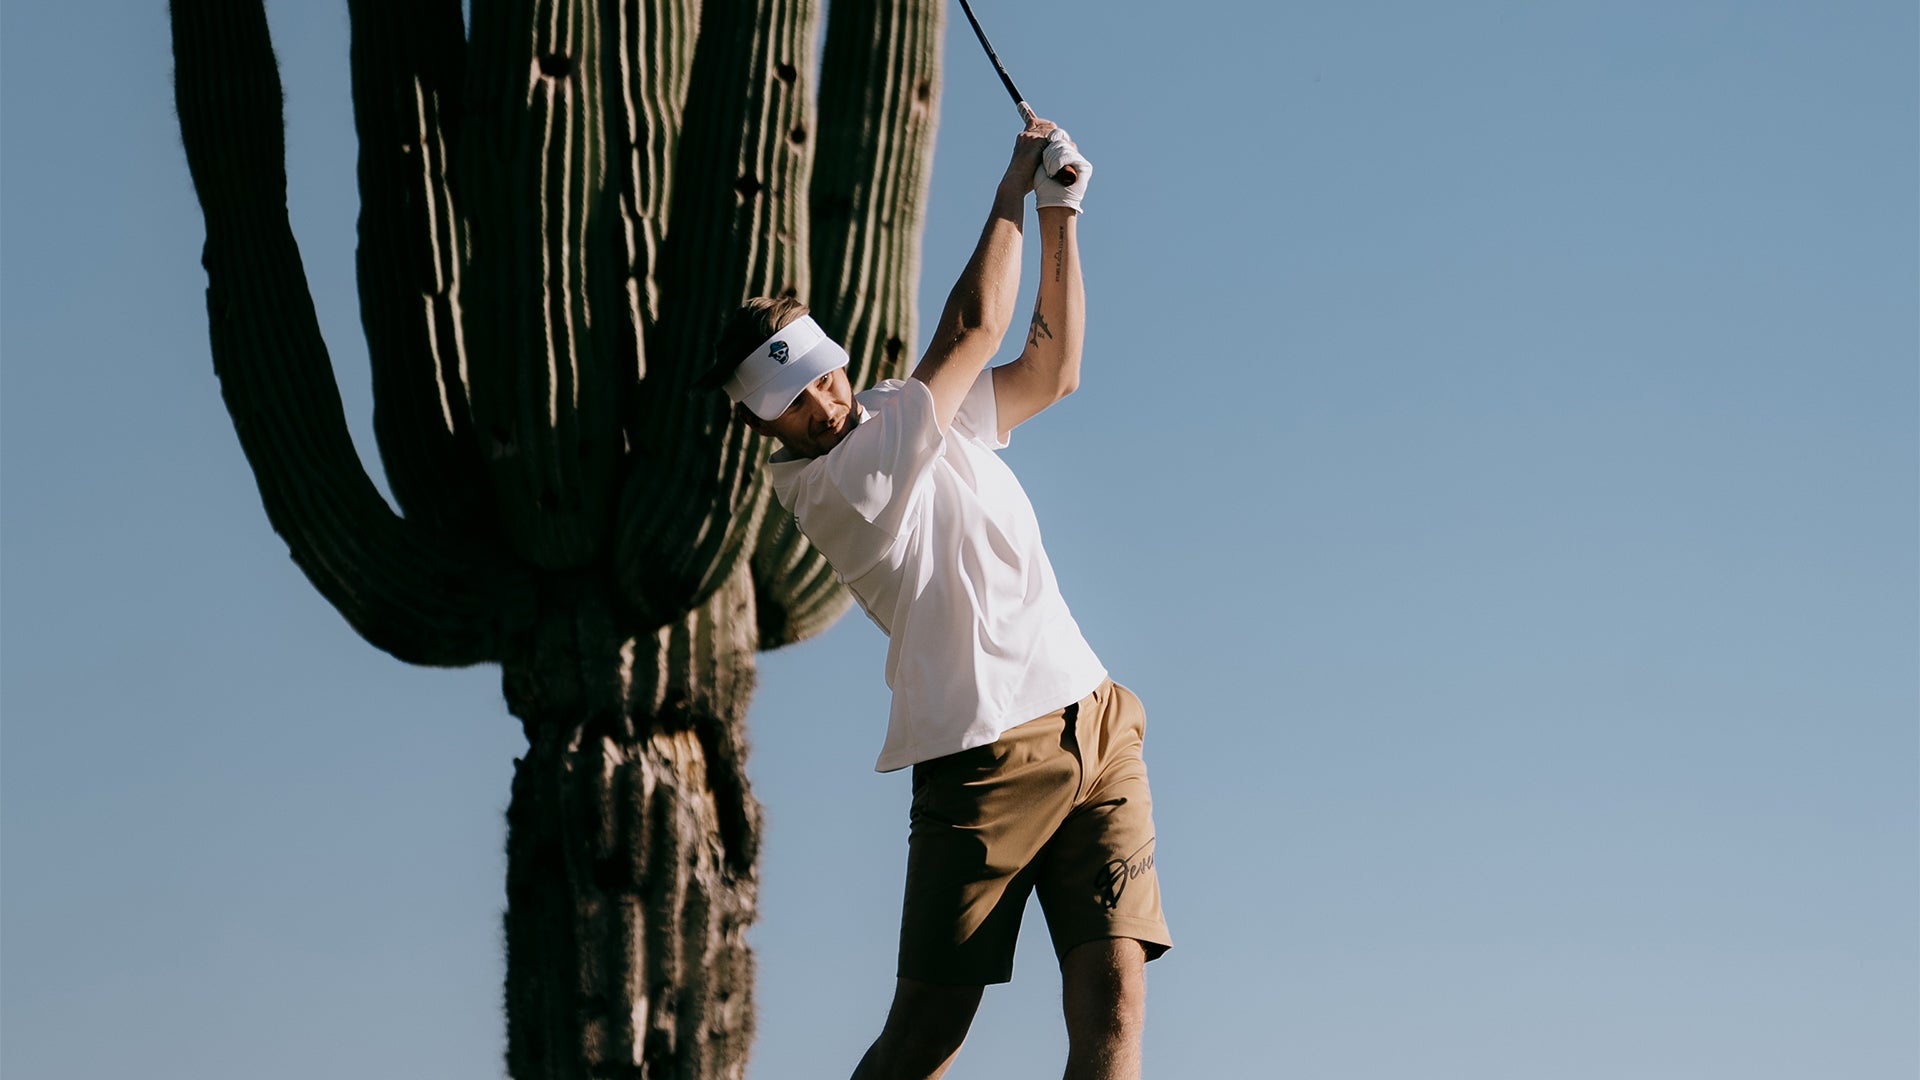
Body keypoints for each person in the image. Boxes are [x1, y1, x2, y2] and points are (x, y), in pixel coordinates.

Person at [704, 118, 1170, 1080]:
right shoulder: (837, 485)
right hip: (981, 760)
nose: (823, 405)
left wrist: (1060, 211)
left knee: (1116, 1000)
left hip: (1095, 723)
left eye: (821, 377)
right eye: (792, 403)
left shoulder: (891, 409)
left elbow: (1051, 373)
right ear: (759, 423)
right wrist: (1009, 187)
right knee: (926, 1037)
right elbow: (972, 331)